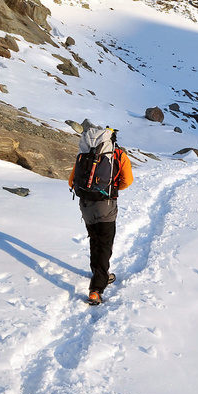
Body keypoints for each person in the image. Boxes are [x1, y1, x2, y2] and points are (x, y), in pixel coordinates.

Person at [68, 127, 133, 305]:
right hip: (105, 205)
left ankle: (99, 272)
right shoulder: (118, 155)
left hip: (86, 204)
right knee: (105, 244)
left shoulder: (84, 154)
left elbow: (71, 180)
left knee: (95, 239)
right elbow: (127, 181)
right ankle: (96, 289)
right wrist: (110, 189)